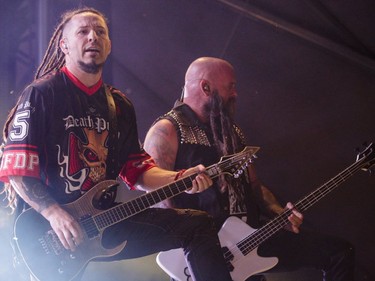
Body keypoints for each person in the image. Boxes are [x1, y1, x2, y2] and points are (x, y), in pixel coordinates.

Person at [0, 10, 234, 281]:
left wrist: (181, 177)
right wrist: (54, 213)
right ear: (64, 45)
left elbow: (137, 171)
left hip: (105, 224)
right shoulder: (42, 94)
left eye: (100, 32)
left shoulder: (119, 105)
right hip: (51, 233)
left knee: (198, 225)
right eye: (83, 31)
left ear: (109, 45)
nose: (93, 37)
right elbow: (17, 170)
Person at [144, 57, 356, 281]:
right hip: (207, 253)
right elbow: (158, 200)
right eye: (230, 87)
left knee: (339, 252)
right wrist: (199, 258)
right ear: (206, 87)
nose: (235, 94)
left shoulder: (231, 131)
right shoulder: (167, 130)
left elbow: (253, 184)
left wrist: (277, 210)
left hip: (251, 237)